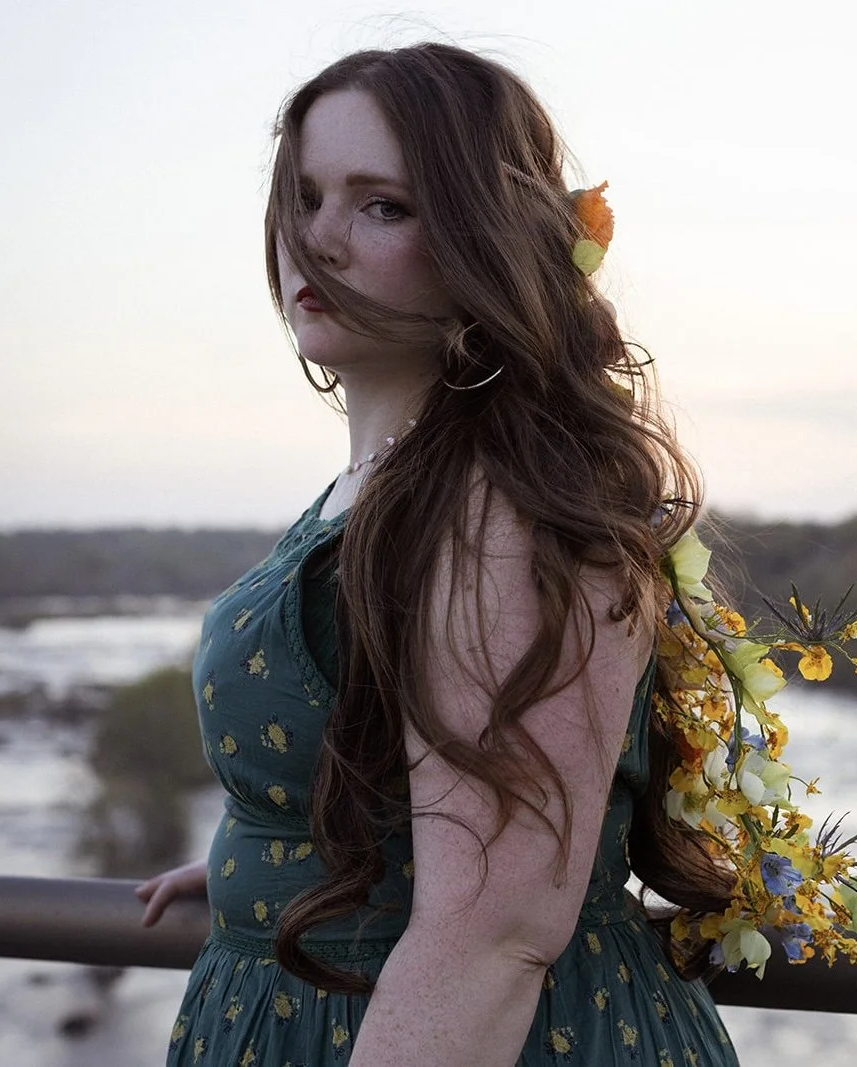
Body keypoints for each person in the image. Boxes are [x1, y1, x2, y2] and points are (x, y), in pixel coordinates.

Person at [136, 41, 739, 1066]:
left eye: (382, 205)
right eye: (305, 193)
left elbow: (492, 932)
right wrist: (282, 857)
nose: (314, 239)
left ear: (481, 235)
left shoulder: (500, 506)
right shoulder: (393, 480)